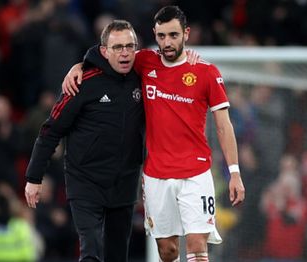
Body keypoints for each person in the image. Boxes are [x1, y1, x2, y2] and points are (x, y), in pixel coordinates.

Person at [62, 6, 245, 262]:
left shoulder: (206, 72)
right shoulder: (145, 62)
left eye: (173, 35)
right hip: (156, 174)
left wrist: (234, 172)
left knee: (196, 243)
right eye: (161, 36)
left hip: (196, 172)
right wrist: (79, 65)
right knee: (167, 251)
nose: (167, 43)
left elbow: (224, 126)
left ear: (186, 34)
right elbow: (110, 54)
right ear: (154, 35)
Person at [24, 20, 145, 262]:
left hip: (124, 182)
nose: (124, 53)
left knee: (117, 256)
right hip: (85, 182)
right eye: (118, 47)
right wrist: (33, 178)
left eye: (130, 46)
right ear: (104, 51)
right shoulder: (82, 83)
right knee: (91, 251)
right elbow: (51, 130)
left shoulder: (143, 77)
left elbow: (172, 60)